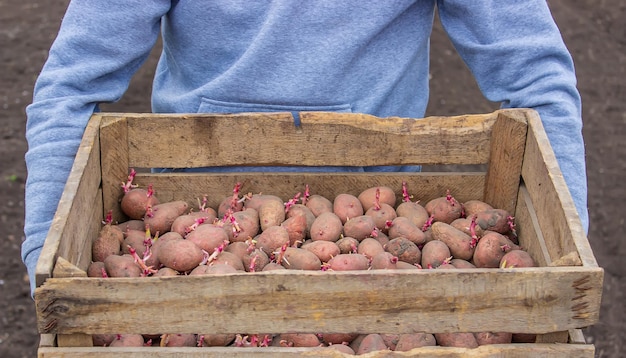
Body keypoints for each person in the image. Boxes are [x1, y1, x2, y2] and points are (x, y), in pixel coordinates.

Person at [22, 1, 587, 295]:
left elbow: (535, 77)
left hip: (379, 235)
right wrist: (46, 263)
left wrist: (564, 250)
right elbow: (72, 85)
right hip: (196, 229)